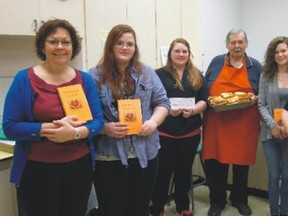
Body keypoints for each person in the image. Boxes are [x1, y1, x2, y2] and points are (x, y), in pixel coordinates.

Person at [2, 19, 104, 216]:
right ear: (42, 45)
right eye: (53, 41)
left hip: (78, 167)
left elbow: (98, 122)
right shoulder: (24, 79)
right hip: (37, 170)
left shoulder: (85, 80)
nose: (60, 47)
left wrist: (74, 133)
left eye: (65, 42)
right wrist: (47, 129)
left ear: (73, 47)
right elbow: (10, 126)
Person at [88, 24, 170, 216]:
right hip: (109, 155)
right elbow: (87, 116)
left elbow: (163, 103)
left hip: (145, 153)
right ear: (110, 47)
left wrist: (153, 122)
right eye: (120, 43)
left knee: (139, 208)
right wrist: (104, 128)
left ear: (135, 48)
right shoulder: (94, 76)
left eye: (130, 44)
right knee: (112, 209)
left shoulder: (147, 72)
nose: (125, 48)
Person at [202, 28, 261, 216]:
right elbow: (205, 86)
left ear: (246, 44)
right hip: (217, 122)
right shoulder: (217, 62)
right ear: (227, 44)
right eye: (233, 42)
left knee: (241, 164)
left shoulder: (255, 66)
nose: (237, 46)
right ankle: (217, 201)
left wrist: (256, 98)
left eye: (240, 42)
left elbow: (264, 93)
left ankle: (239, 199)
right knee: (215, 164)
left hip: (244, 124)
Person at [149, 38, 209, 216]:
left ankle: (182, 205)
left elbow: (204, 100)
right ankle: (158, 206)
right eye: (177, 51)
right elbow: (151, 101)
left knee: (184, 171)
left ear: (189, 54)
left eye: (184, 51)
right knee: (163, 172)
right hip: (165, 133)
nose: (181, 54)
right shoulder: (158, 74)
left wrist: (193, 110)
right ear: (170, 54)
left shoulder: (197, 74)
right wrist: (167, 111)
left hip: (190, 132)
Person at [258, 36, 288, 216]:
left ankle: (284, 211)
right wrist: (273, 126)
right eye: (276, 52)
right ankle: (273, 212)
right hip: (270, 134)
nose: (280, 55)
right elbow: (260, 104)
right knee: (273, 176)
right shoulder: (265, 75)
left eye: (283, 51)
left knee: (287, 176)